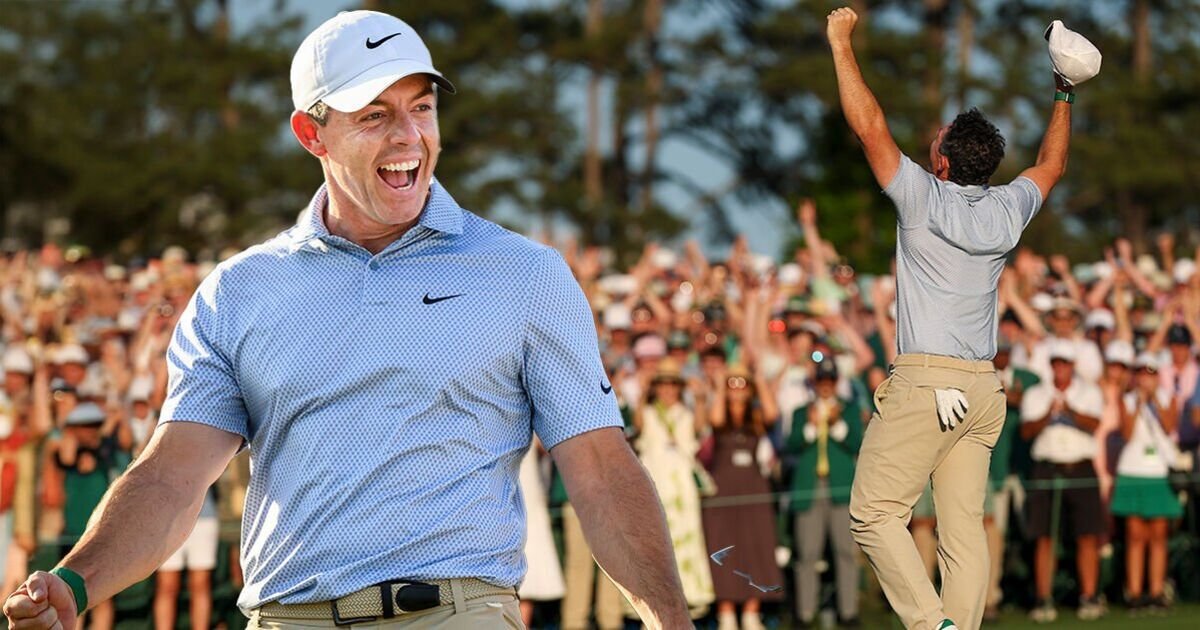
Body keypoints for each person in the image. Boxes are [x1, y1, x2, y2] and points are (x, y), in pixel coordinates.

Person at [3, 10, 690, 630]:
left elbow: (601, 471)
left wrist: (670, 622)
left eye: (421, 108)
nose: (408, 136)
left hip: (456, 614)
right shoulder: (237, 292)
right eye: (374, 115)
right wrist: (75, 582)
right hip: (284, 620)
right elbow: (171, 478)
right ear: (312, 134)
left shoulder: (525, 275)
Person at [826, 6, 1076, 630]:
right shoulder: (1007, 209)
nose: (929, 141)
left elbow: (868, 125)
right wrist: (1064, 92)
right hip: (983, 389)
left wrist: (840, 43)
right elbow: (1051, 166)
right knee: (962, 529)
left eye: (936, 140)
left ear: (941, 162)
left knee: (873, 513)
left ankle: (930, 624)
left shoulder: (921, 197)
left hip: (926, 381)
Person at [1019, 341, 1106, 622]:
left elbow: (1094, 424)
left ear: (1073, 365)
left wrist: (1069, 411)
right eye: (1056, 363)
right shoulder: (1036, 393)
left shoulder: (1089, 392)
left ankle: (1089, 596)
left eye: (1065, 363)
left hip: (1080, 467)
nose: (1060, 368)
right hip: (1047, 467)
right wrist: (1048, 414)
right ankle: (1043, 598)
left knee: (1087, 535)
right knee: (1044, 535)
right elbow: (1026, 431)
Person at [633, 358, 715, 618]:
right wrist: (643, 393)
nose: (668, 390)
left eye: (672, 384)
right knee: (653, 544)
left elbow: (700, 428)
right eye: (662, 384)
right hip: (655, 485)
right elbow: (638, 424)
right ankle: (652, 604)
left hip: (681, 488)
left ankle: (689, 597)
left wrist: (700, 399)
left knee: (687, 540)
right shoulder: (648, 412)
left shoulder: (686, 413)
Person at [786, 359, 863, 628]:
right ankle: (805, 612)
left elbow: (856, 443)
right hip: (811, 488)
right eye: (822, 381)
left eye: (830, 381)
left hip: (839, 488)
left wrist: (837, 424)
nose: (826, 386)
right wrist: (810, 426)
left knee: (846, 551)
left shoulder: (849, 409)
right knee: (807, 553)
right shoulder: (801, 412)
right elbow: (792, 445)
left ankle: (849, 611)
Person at [1112, 352, 1182, 615]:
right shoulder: (1127, 400)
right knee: (1135, 534)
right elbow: (1127, 433)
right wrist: (1139, 404)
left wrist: (1154, 402)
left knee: (1158, 534)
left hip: (1158, 471)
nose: (1145, 378)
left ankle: (1156, 592)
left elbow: (1169, 426)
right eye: (1141, 373)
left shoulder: (1167, 398)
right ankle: (1134, 593)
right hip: (1133, 469)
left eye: (1150, 373)